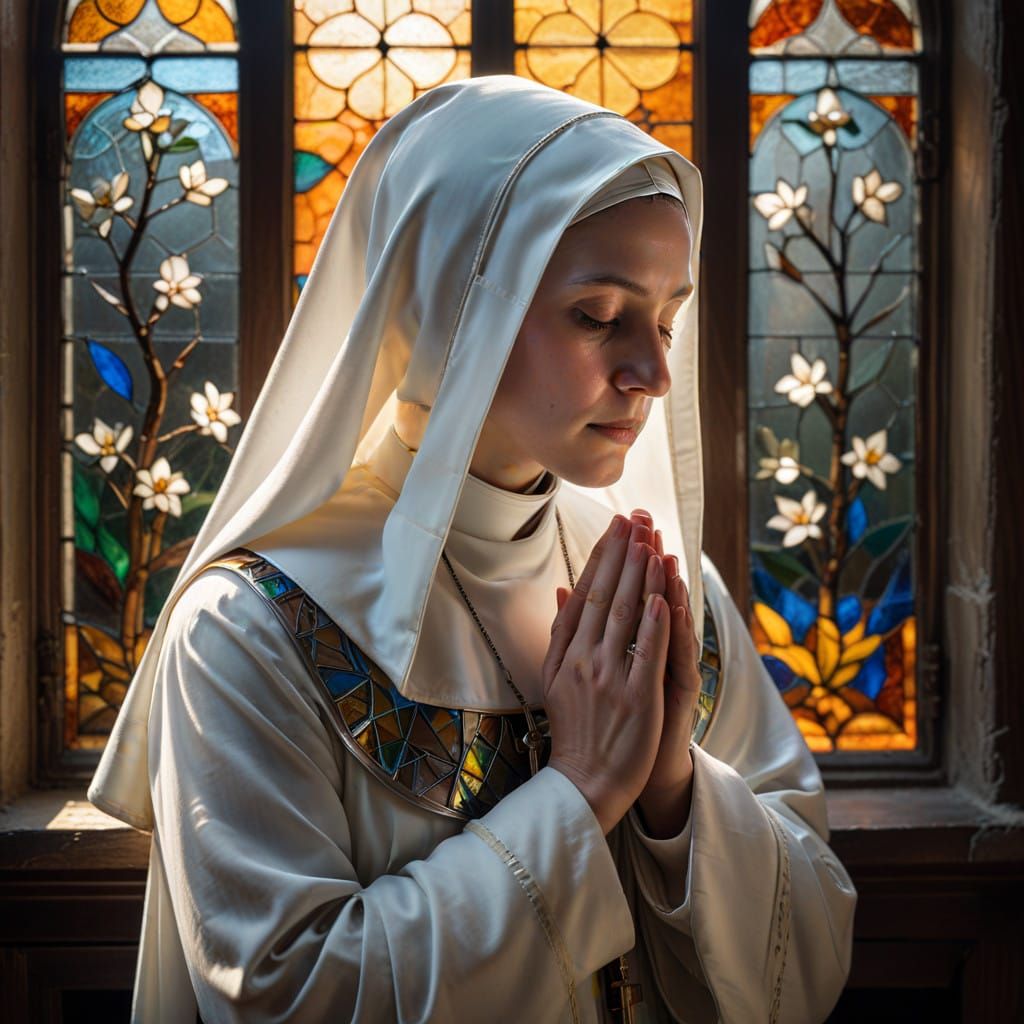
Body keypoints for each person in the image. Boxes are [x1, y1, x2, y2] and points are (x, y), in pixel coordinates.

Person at [88, 75, 856, 1023]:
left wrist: (672, 789)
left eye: (664, 319)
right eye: (598, 314)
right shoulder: (251, 627)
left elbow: (809, 960)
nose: (653, 372)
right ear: (453, 305)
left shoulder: (659, 593)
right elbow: (286, 999)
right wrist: (578, 796)